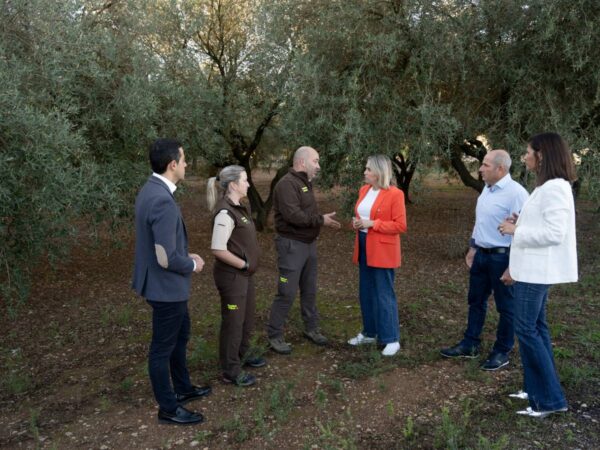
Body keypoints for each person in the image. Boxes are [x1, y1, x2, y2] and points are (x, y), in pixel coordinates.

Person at [132, 138, 210, 425]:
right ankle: (168, 407)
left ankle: (183, 389)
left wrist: (182, 253)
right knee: (162, 348)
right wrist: (192, 263)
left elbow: (160, 246)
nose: (187, 164)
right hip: (166, 288)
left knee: (180, 335)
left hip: (162, 285)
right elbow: (165, 259)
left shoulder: (150, 190)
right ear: (172, 164)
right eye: (184, 159)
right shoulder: (162, 200)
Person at [498, 132, 577, 418]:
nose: (524, 157)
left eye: (527, 152)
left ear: (541, 155)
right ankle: (535, 389)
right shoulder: (548, 187)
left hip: (536, 271)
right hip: (533, 269)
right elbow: (543, 223)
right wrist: (522, 222)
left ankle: (550, 399)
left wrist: (516, 230)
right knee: (536, 329)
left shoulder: (554, 187)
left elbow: (555, 233)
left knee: (527, 330)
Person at [440, 150, 529, 370]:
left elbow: (523, 232)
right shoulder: (487, 190)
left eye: (486, 165)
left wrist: (513, 266)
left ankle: (502, 351)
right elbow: (481, 221)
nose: (480, 169)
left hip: (503, 258)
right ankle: (470, 344)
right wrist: (473, 247)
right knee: (475, 301)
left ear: (501, 169)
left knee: (506, 307)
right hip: (481, 255)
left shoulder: (516, 193)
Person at [267, 146, 341, 354]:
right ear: (301, 162)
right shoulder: (287, 184)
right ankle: (274, 335)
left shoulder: (304, 182)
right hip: (291, 247)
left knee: (309, 290)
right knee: (286, 292)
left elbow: (304, 213)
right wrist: (321, 220)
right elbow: (294, 216)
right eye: (315, 161)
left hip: (309, 246)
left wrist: (319, 221)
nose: (318, 166)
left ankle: (311, 328)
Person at [207, 165, 265, 387]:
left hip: (244, 276)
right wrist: (244, 264)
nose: (249, 184)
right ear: (233, 185)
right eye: (245, 180)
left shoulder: (240, 207)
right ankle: (230, 370)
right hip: (232, 278)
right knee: (233, 322)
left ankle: (244, 354)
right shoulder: (225, 212)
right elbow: (218, 249)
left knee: (247, 318)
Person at [347, 155, 407, 356]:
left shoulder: (395, 194)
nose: (364, 172)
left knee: (383, 293)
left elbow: (400, 225)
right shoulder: (364, 190)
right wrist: (356, 222)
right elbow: (362, 215)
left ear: (379, 172)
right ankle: (370, 332)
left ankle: (391, 338)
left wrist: (373, 224)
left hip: (383, 248)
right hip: (364, 244)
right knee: (366, 291)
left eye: (368, 169)